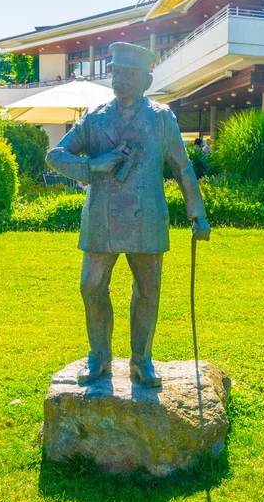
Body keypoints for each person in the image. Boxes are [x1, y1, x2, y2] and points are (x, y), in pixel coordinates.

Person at [47, 42, 210, 388]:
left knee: (148, 289)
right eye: (116, 72)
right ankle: (99, 357)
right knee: (91, 287)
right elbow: (55, 155)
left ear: (146, 81)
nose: (120, 80)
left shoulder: (161, 118)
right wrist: (92, 165)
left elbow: (182, 168)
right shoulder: (95, 118)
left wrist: (197, 214)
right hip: (101, 220)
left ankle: (141, 360)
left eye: (129, 74)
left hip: (146, 219)